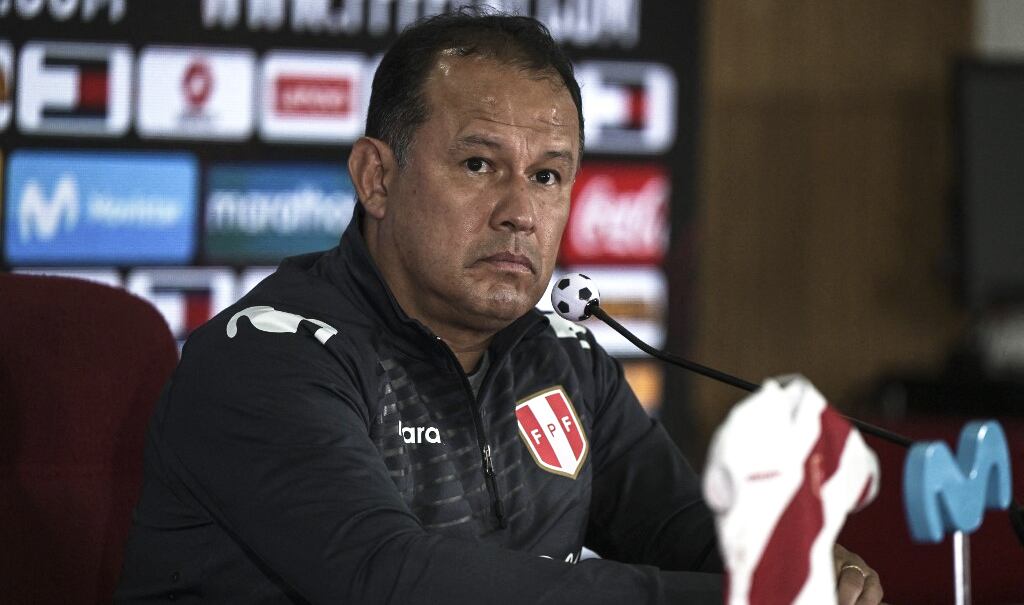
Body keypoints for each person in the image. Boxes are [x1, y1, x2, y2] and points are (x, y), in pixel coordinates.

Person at [116, 9, 884, 604]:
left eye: (549, 177)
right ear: (376, 178)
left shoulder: (564, 359)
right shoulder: (267, 358)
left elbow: (682, 530)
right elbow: (394, 580)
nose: (520, 210)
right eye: (480, 164)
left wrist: (801, 565)